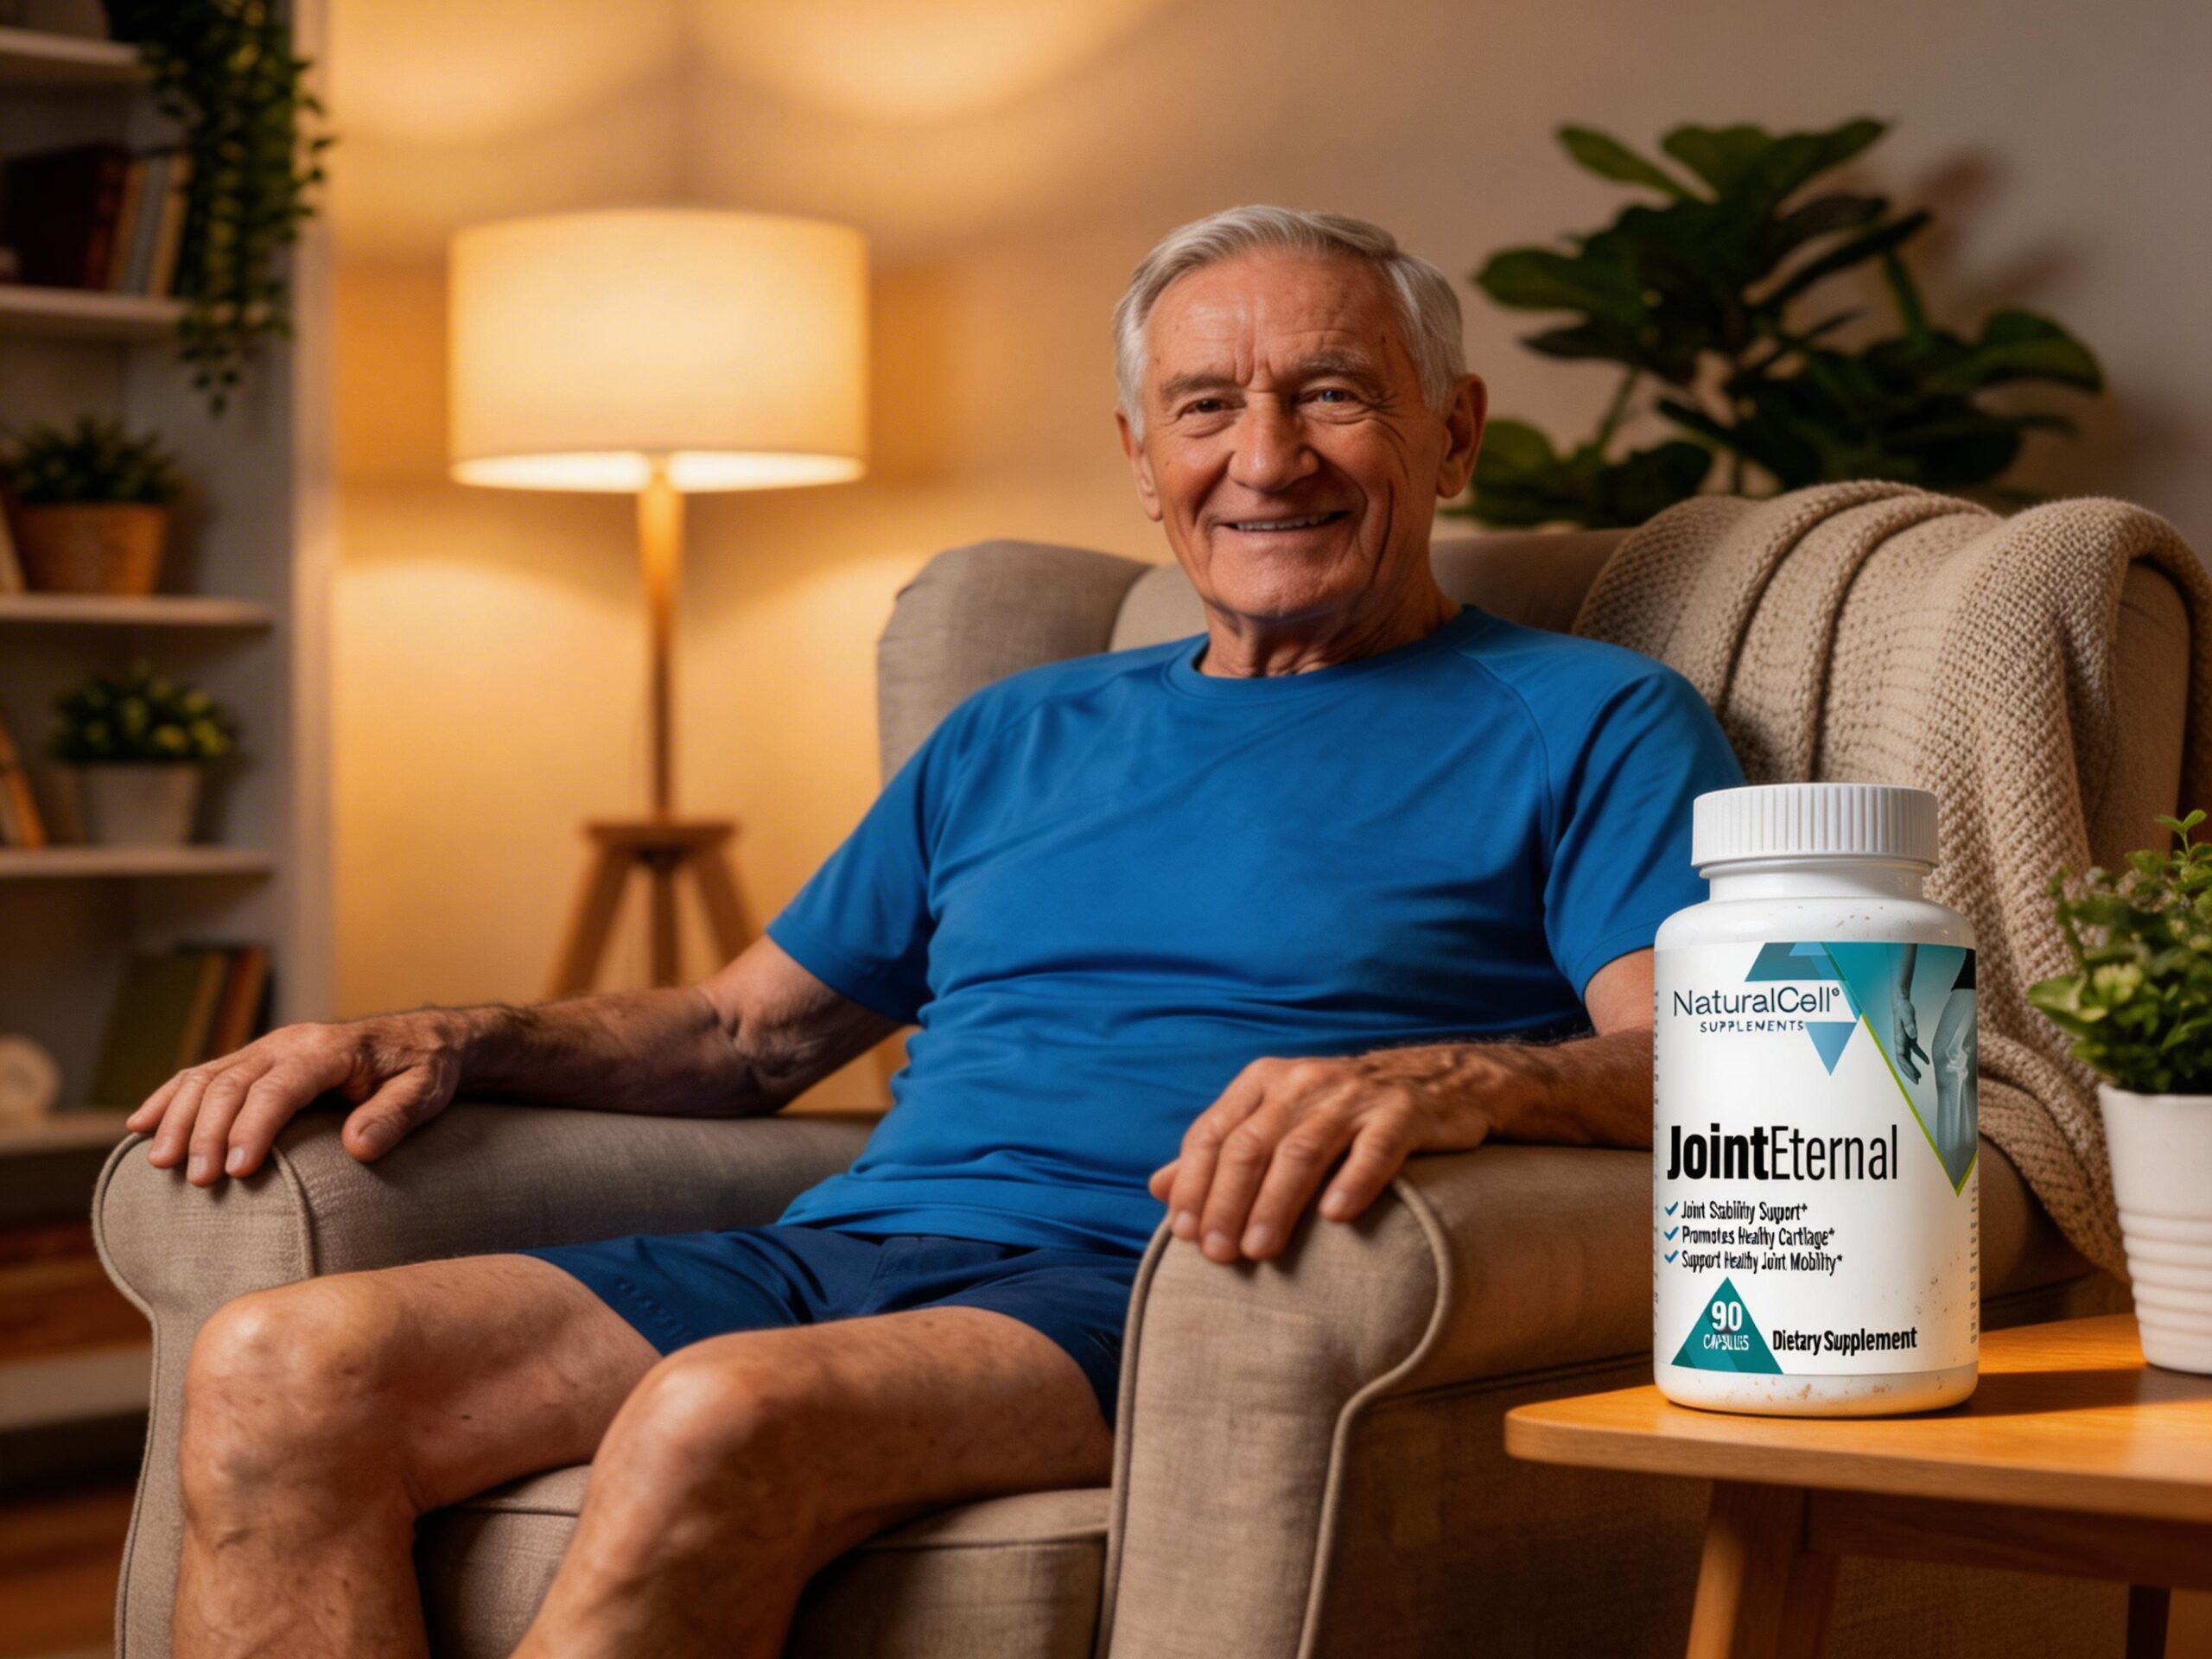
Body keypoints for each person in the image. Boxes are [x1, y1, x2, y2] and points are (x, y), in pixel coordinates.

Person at [130, 204, 1745, 1659]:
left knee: (712, 1413)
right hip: (847, 1247)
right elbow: (743, 1033)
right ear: (1141, 456)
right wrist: (443, 1034)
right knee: (279, 1365)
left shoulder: (1587, 718)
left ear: (1453, 432)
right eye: (1205, 407)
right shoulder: (1015, 730)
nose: (1266, 459)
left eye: (1332, 394)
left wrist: (1460, 1079)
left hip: (1167, 1287)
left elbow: (1708, 1065)